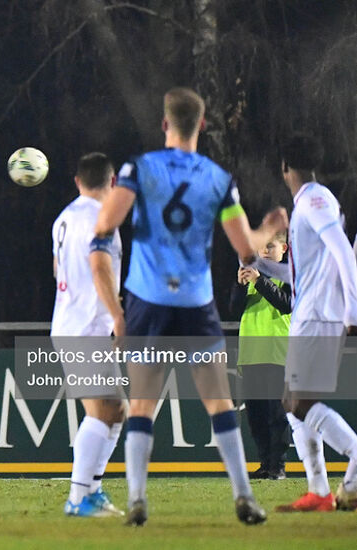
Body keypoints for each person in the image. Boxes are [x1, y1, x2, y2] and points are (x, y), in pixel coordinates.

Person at [93, 87, 287, 526]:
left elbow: (106, 224)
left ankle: (138, 500)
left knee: (141, 404)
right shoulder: (218, 179)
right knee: (218, 402)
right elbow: (246, 252)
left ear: (165, 124)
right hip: (196, 302)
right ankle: (244, 496)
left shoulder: (138, 169)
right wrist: (267, 227)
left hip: (148, 298)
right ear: (202, 126)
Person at [273, 134, 357, 512]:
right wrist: (259, 266)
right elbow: (305, 274)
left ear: (285, 167)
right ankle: (320, 492)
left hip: (321, 315)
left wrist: (353, 310)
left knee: (299, 400)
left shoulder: (313, 199)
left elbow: (343, 249)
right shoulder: (310, 200)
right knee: (293, 402)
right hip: (310, 312)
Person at [52, 153, 125, 518]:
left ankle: (91, 491)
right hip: (85, 327)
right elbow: (99, 267)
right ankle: (79, 498)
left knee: (115, 411)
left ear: (77, 182)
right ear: (112, 182)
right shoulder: (103, 218)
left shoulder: (63, 218)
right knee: (101, 413)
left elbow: (58, 268)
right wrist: (117, 314)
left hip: (74, 322)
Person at [230, 233, 291, 481]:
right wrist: (239, 285)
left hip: (278, 352)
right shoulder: (250, 276)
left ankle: (278, 466)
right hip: (251, 353)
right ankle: (265, 463)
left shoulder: (289, 276)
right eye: (261, 248)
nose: (264, 252)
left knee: (277, 414)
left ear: (284, 248)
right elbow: (233, 311)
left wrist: (260, 281)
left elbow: (287, 304)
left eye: (270, 246)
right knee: (256, 415)